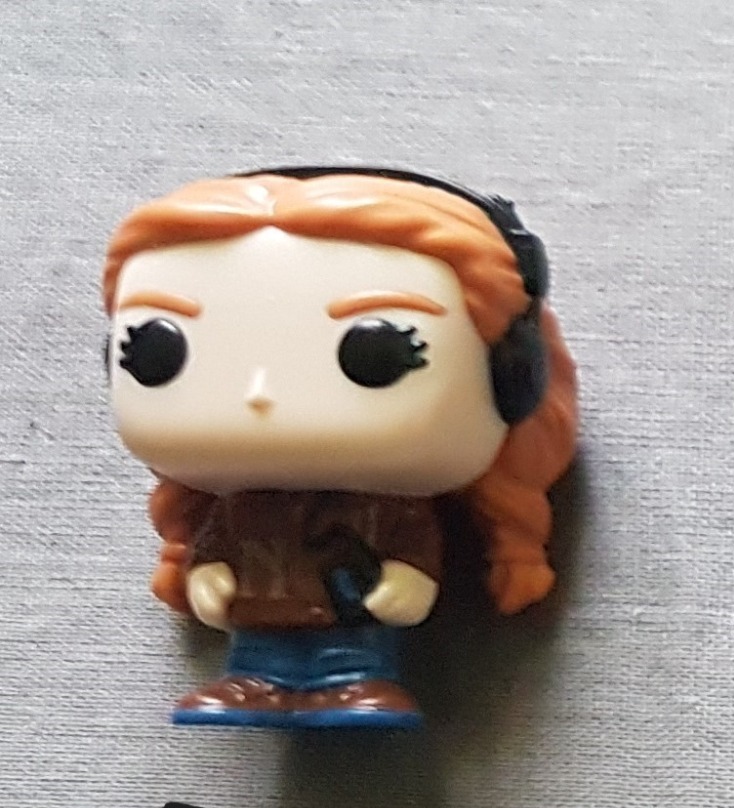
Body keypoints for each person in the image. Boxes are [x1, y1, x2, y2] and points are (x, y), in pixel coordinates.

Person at [103, 167, 577, 728]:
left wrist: (408, 576)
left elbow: (410, 544)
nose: (259, 394)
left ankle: (352, 679)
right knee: (257, 656)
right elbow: (215, 544)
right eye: (155, 353)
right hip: (263, 609)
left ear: (512, 374)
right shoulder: (238, 511)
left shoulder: (388, 508)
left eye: (376, 352)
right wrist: (207, 574)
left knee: (350, 653)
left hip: (349, 602)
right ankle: (255, 681)